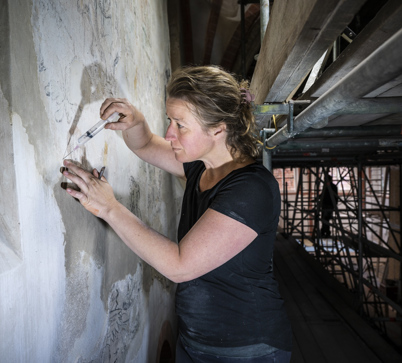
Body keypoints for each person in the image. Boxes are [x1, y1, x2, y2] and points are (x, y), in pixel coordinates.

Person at [61, 65, 292, 362]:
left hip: (248, 348)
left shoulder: (251, 189)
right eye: (170, 120)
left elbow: (180, 265)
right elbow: (145, 144)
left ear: (219, 129)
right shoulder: (201, 165)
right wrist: (135, 121)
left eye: (180, 125)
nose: (170, 133)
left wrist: (109, 207)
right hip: (196, 341)